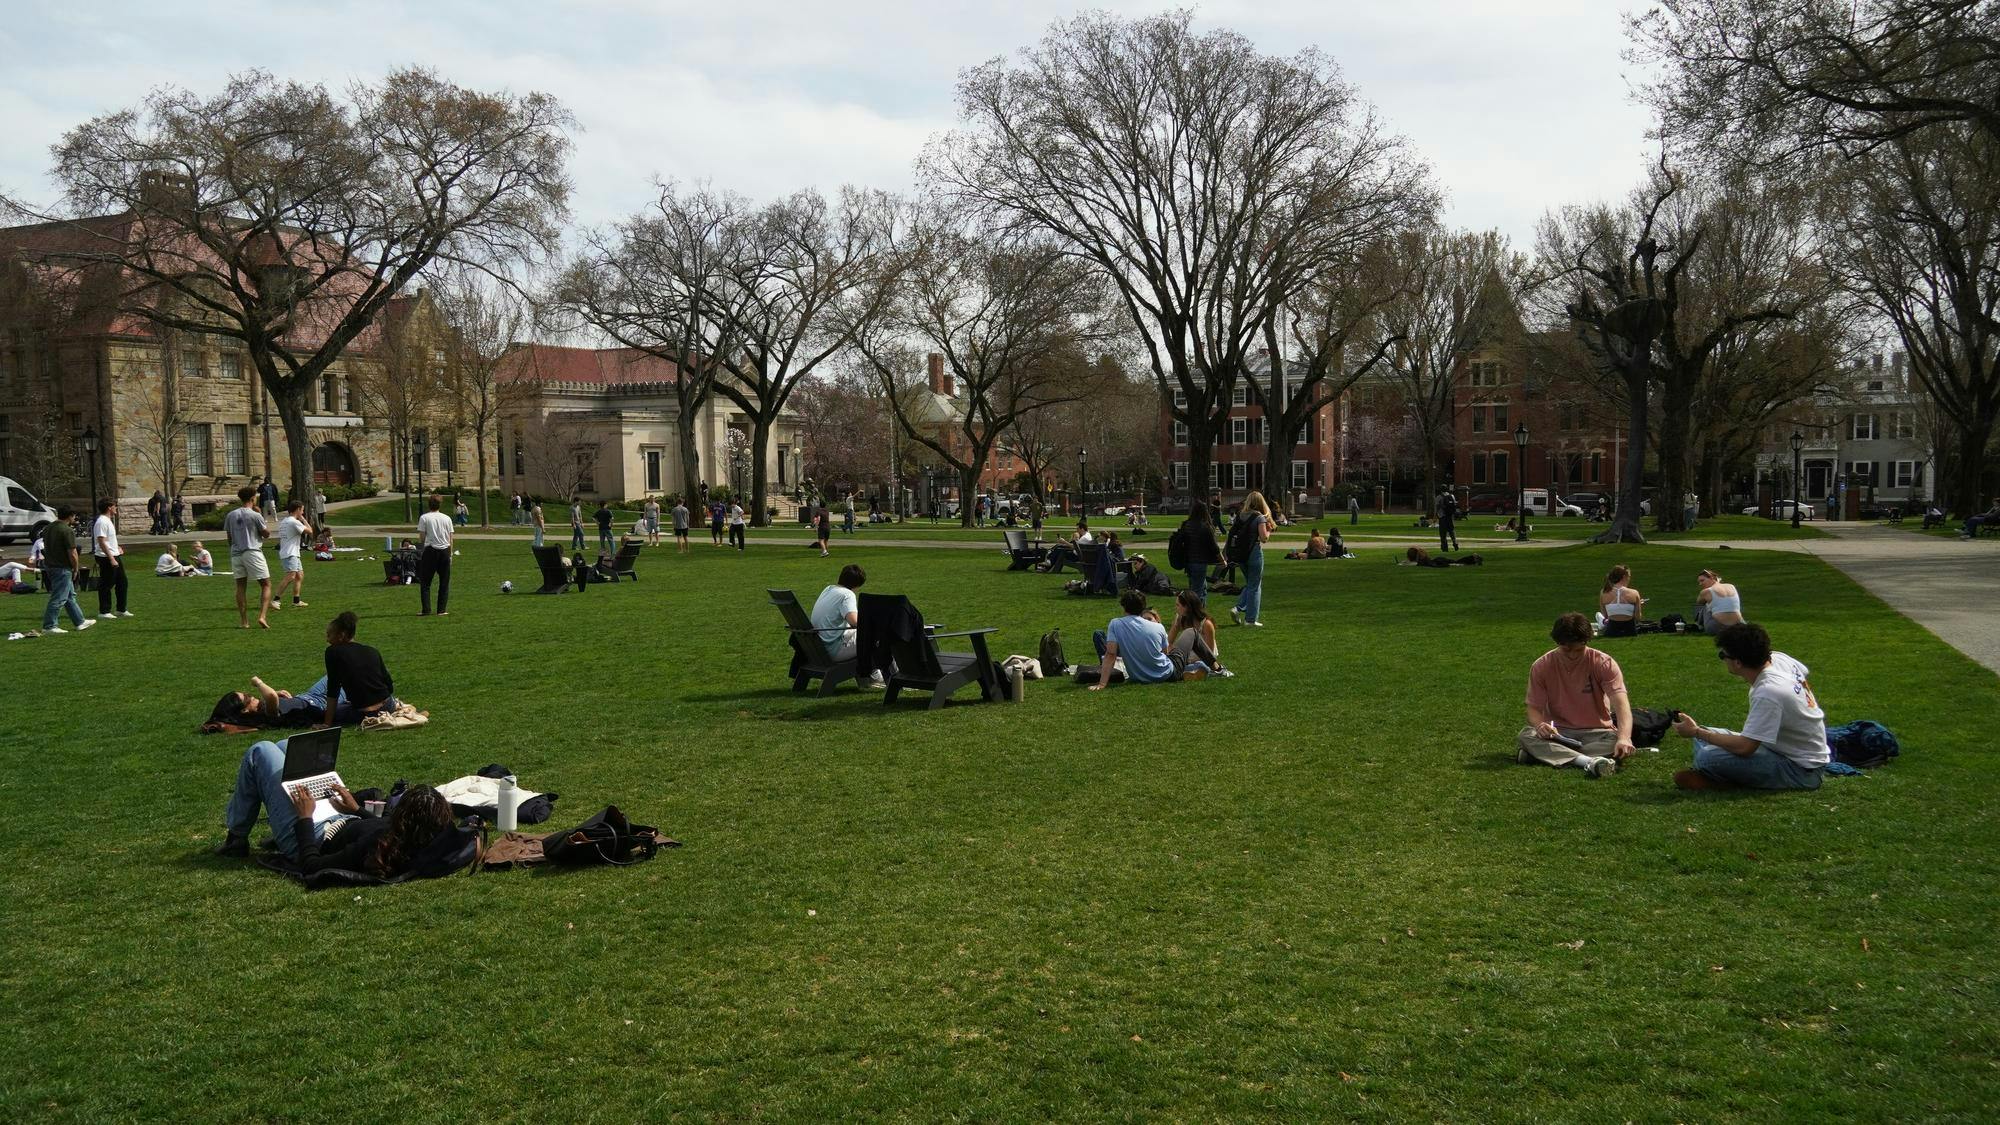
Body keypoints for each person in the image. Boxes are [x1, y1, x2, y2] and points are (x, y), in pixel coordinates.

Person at [216, 732, 454, 872]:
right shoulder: (416, 837)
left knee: (262, 751)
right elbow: (382, 826)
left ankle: (236, 839)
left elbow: (311, 865)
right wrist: (356, 809)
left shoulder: (372, 846)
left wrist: (305, 817)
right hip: (341, 818)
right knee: (289, 748)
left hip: (309, 835)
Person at [1670, 623, 1830, 792]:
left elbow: (1745, 748)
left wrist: (1695, 732)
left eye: (1723, 655)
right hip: (1783, 750)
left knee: (1707, 756)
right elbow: (1803, 671)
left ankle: (1723, 782)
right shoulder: (1779, 659)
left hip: (1801, 770)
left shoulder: (1769, 692)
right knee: (1705, 737)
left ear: (1737, 662)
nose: (1723, 659)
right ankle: (1724, 776)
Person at [1516, 612, 1636, 778]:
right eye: (1567, 649)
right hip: (1558, 732)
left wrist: (1624, 738)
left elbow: (1621, 705)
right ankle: (1587, 761)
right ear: (1558, 643)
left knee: (1616, 740)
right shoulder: (1542, 666)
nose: (1572, 655)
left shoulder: (1603, 663)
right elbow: (1533, 709)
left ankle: (1543, 755)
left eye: (1579, 650)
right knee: (1526, 734)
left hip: (1598, 732)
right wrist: (1540, 725)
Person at [1089, 589, 1210, 690]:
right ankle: (1217, 668)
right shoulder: (1158, 626)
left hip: (1139, 677)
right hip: (1167, 674)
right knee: (1191, 633)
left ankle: (1203, 668)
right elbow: (1166, 654)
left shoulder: (1115, 624)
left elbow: (1110, 654)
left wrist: (1102, 684)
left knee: (1187, 638)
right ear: (1143, 607)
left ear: (1124, 606)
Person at [809, 564, 885, 687]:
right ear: (857, 585)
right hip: (833, 649)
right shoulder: (847, 594)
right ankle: (879, 675)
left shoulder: (828, 589)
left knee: (866, 634)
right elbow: (855, 622)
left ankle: (867, 678)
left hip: (819, 646)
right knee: (878, 635)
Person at [321, 610, 401, 726]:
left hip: (363, 713)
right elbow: (389, 685)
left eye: (329, 635)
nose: (327, 640)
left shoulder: (333, 652)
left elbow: (333, 689)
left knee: (326, 712)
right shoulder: (372, 651)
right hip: (387, 706)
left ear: (341, 635)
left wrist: (327, 723)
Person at [37, 505, 91, 635]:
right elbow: (72, 552)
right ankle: (49, 626)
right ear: (70, 516)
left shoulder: (48, 528)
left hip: (50, 565)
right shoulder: (66, 530)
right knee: (59, 597)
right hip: (61, 567)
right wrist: (76, 568)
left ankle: (80, 621)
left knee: (69, 596)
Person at [223, 486, 270, 629]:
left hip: (236, 553)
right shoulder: (255, 515)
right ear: (252, 498)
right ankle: (262, 616)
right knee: (266, 584)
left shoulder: (230, 515)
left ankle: (244, 621)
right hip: (252, 551)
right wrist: (261, 516)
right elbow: (266, 534)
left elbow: (229, 538)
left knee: (241, 587)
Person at [1226, 490, 1273, 628]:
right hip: (1254, 553)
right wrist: (1269, 530)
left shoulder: (1240, 516)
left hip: (1240, 554)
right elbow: (1264, 538)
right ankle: (1250, 618)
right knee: (1255, 585)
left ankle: (1239, 608)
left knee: (1251, 583)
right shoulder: (1259, 517)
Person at [1167, 589, 1229, 677]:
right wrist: (1176, 625)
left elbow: (1209, 654)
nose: (1176, 608)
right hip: (1188, 654)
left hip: (1203, 656)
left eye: (1178, 605)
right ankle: (1189, 672)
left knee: (1201, 665)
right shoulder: (1182, 619)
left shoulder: (1206, 624)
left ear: (1187, 607)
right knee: (1168, 650)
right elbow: (1169, 641)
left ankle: (1193, 671)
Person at [91, 498, 130, 620]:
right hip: (105, 557)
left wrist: (117, 548)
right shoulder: (101, 521)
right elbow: (101, 541)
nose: (116, 508)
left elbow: (108, 540)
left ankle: (121, 609)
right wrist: (111, 558)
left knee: (122, 582)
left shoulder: (108, 521)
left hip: (114, 554)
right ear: (109, 507)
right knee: (106, 584)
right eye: (115, 506)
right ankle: (104, 611)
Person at [1172, 504, 1223, 598]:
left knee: (1200, 588)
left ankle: (1200, 610)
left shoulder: (1186, 524)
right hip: (1200, 561)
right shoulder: (1205, 526)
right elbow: (1214, 547)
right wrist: (1222, 560)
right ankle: (1195, 611)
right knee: (1197, 592)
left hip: (1188, 561)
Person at [416, 496, 454, 616]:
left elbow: (422, 537)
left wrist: (423, 547)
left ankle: (426, 609)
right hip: (444, 551)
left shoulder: (424, 518)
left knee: (425, 583)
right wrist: (450, 554)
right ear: (440, 505)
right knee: (444, 582)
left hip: (430, 550)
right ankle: (441, 610)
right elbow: (450, 539)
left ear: (429, 505)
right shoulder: (447, 518)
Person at [273, 500, 312, 610]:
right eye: (302, 510)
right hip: (290, 553)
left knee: (300, 575)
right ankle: (276, 600)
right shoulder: (294, 522)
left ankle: (296, 600)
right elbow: (310, 531)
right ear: (298, 509)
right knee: (291, 576)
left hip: (291, 552)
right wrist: (303, 519)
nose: (303, 513)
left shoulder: (285, 521)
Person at [1693, 569, 1745, 635]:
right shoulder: (1731, 586)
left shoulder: (1706, 591)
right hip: (1738, 626)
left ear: (1711, 578)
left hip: (1716, 628)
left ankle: (1698, 626)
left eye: (1702, 580)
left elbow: (1698, 603)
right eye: (1699, 582)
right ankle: (1742, 624)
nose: (1700, 584)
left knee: (1705, 605)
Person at [1598, 564, 1644, 637]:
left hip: (1611, 632)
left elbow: (1606, 615)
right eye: (1629, 577)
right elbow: (1638, 618)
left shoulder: (1603, 592)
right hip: (1630, 632)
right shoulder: (1634, 593)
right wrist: (1636, 607)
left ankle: (1602, 623)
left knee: (1604, 620)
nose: (1629, 579)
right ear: (1624, 577)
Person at [1399, 546, 1484, 568]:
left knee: (1457, 563)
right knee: (1456, 561)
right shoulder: (1423, 559)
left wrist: (1402, 563)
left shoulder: (1418, 562)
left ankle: (1473, 558)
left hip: (1438, 562)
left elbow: (1410, 564)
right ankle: (1473, 559)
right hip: (1438, 559)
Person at [1437, 488, 1461, 552]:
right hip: (1450, 517)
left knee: (1443, 533)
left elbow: (1437, 506)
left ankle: (1445, 548)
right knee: (1451, 531)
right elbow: (1455, 505)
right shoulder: (1452, 496)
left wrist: (1436, 515)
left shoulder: (1439, 497)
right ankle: (1455, 543)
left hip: (1442, 517)